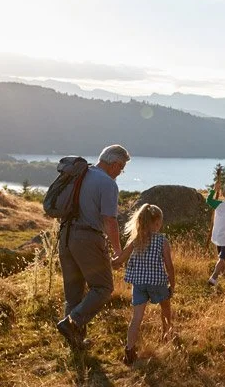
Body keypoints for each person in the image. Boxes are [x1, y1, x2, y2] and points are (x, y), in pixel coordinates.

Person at [56, 144, 130, 351]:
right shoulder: (107, 183)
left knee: (73, 294)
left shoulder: (81, 174)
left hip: (65, 236)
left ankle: (76, 343)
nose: (120, 172)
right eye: (122, 168)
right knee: (103, 287)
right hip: (87, 238)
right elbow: (110, 221)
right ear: (115, 164)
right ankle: (72, 322)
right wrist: (118, 250)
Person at [114, 204, 175, 366]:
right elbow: (169, 266)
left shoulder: (135, 241)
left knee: (137, 317)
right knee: (165, 308)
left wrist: (109, 261)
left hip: (139, 284)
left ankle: (129, 350)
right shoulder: (162, 241)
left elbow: (120, 260)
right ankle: (166, 334)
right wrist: (172, 284)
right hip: (158, 283)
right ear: (156, 223)